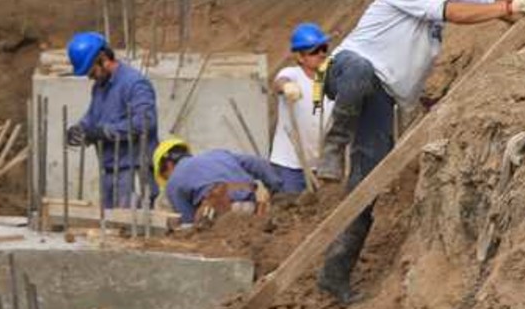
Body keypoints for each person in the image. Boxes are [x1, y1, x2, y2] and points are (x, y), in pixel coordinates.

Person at [312, 0, 525, 305]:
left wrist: (522, 7)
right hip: (346, 73)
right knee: (360, 71)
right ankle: (334, 145)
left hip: (383, 100)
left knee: (367, 187)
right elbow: (456, 13)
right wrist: (508, 8)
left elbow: (487, 4)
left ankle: (334, 274)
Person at [65, 31, 158, 208]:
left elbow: (145, 123)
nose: (90, 77)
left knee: (129, 230)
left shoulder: (135, 84)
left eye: (91, 71)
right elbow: (92, 119)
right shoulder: (100, 87)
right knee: (110, 229)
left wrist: (105, 132)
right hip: (110, 172)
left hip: (132, 171)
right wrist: (79, 130)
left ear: (103, 58)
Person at [153, 138, 282, 226]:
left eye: (165, 176)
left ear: (169, 165)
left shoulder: (173, 183)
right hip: (251, 206)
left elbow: (188, 224)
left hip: (221, 215)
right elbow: (256, 163)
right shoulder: (218, 154)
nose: (167, 179)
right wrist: (276, 189)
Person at [269, 23, 334, 194]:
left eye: (323, 48)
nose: (321, 54)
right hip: (290, 164)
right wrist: (287, 87)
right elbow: (279, 82)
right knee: (289, 209)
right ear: (300, 57)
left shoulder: (331, 80)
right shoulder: (292, 74)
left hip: (320, 164)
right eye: (314, 51)